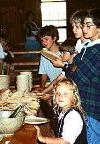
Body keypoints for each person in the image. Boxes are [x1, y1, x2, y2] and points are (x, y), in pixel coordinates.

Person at [65, 8, 100, 143]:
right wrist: (72, 68)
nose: (84, 28)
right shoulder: (88, 47)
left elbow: (78, 78)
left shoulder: (96, 50)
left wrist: (71, 68)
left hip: (93, 107)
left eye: (88, 25)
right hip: (86, 105)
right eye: (83, 25)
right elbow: (71, 71)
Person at [35, 78, 87, 144]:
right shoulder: (63, 111)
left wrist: (43, 139)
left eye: (65, 94)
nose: (60, 96)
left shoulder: (73, 116)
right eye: (57, 93)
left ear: (74, 97)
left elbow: (65, 141)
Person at [37, 25, 62, 89]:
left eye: (46, 39)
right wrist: (42, 88)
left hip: (64, 86)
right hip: (52, 87)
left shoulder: (63, 53)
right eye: (42, 40)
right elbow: (44, 74)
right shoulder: (44, 55)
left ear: (54, 38)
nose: (44, 42)